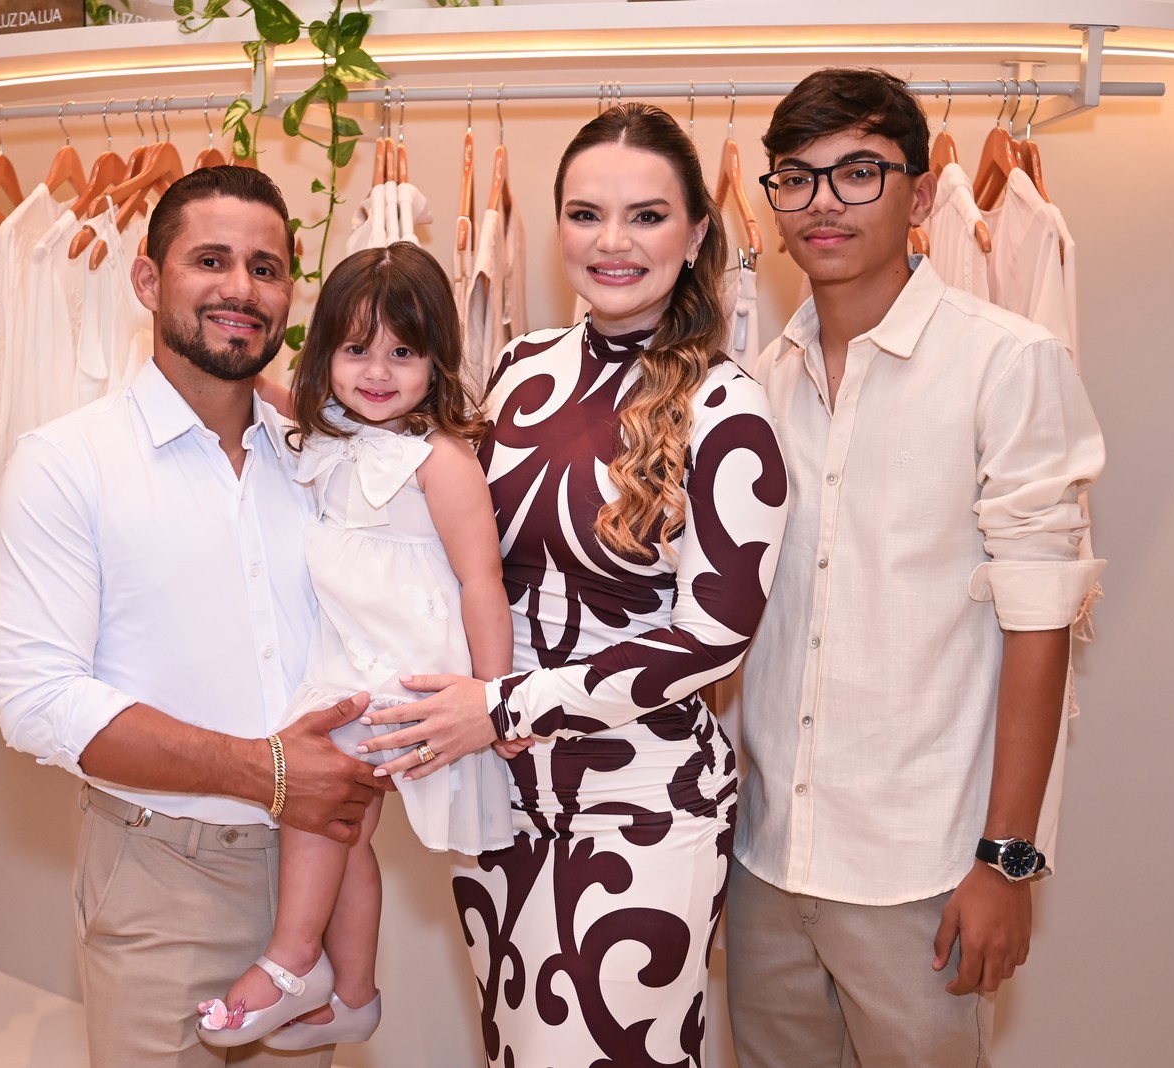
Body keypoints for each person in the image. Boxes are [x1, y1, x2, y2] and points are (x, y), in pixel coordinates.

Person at [359, 103, 789, 1067]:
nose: (612, 242)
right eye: (586, 214)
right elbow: (456, 543)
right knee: (516, 1049)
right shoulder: (518, 369)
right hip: (497, 789)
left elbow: (713, 636)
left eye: (646, 216)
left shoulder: (729, 406)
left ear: (697, 235)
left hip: (639, 800)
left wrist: (502, 705)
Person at [725, 68, 1106, 1067]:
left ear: (922, 192)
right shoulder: (753, 385)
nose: (823, 203)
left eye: (858, 173)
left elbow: (1040, 621)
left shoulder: (1006, 363)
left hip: (923, 873)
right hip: (765, 863)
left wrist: (1006, 861)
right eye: (796, 178)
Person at [0, 165, 384, 1068]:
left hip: (319, 874)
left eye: (266, 268)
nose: (241, 288)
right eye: (211, 260)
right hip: (162, 879)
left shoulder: (322, 463)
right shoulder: (66, 463)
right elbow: (37, 702)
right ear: (146, 278)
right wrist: (270, 771)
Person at [195, 241, 516, 1050]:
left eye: (403, 353)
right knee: (347, 830)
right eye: (355, 349)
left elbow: (482, 582)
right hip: (347, 660)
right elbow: (266, 390)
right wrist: (228, 366)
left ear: (437, 359)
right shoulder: (328, 434)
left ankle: (292, 959)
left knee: (322, 810)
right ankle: (354, 995)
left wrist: (496, 698)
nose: (377, 372)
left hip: (406, 671)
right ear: (326, 354)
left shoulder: (440, 461)